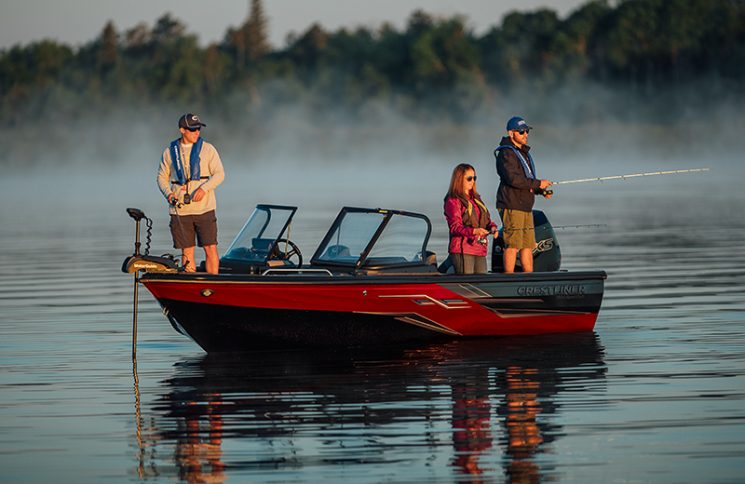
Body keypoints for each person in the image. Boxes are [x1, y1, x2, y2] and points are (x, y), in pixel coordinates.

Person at [157, 113, 225, 274]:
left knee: (211, 249)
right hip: (180, 210)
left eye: (199, 129)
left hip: (205, 209)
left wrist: (204, 188)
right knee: (187, 252)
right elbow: (161, 177)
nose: (197, 132)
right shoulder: (169, 152)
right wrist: (168, 194)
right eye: (192, 129)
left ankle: (213, 286)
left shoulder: (208, 149)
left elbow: (220, 174)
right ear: (182, 130)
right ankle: (192, 286)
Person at [494, 116, 552, 273]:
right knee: (513, 244)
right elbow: (513, 179)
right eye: (521, 132)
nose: (525, 134)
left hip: (525, 205)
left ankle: (529, 277)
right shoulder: (506, 153)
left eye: (527, 131)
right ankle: (509, 280)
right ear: (511, 133)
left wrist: (541, 190)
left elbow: (527, 180)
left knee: (527, 245)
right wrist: (538, 183)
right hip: (511, 204)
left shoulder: (522, 152)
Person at [444, 163, 498, 274]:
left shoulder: (476, 198)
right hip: (463, 250)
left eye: (474, 178)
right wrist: (474, 231)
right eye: (469, 178)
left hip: (479, 249)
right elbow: (455, 227)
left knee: (482, 282)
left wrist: (493, 228)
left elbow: (487, 220)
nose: (473, 181)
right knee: (467, 282)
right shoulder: (453, 200)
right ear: (459, 180)